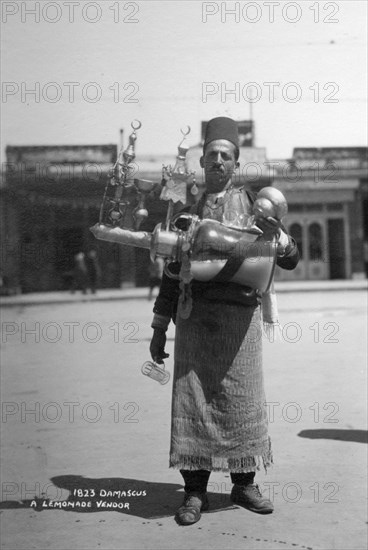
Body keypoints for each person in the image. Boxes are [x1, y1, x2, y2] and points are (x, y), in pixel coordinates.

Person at [149, 117, 300, 525]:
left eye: (226, 156)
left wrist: (278, 236)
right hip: (195, 319)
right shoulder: (185, 212)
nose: (218, 161)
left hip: (241, 324)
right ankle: (195, 492)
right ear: (202, 160)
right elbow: (169, 274)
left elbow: (290, 257)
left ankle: (244, 484)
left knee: (241, 402)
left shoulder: (256, 205)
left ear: (236, 163)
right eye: (212, 155)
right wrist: (159, 327)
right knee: (193, 402)